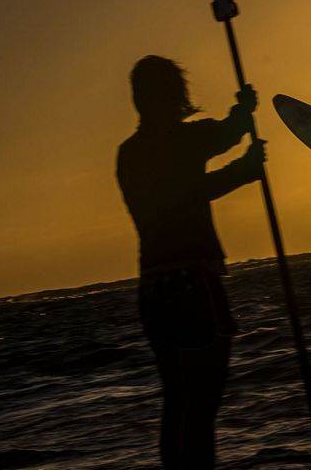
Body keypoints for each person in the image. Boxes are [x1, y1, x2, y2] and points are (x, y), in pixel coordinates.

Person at [116, 55, 265, 470]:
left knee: (178, 403)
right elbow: (196, 181)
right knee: (201, 405)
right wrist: (245, 162)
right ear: (175, 95)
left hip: (154, 292)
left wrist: (242, 114)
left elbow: (224, 136)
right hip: (192, 285)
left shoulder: (128, 154)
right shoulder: (182, 140)